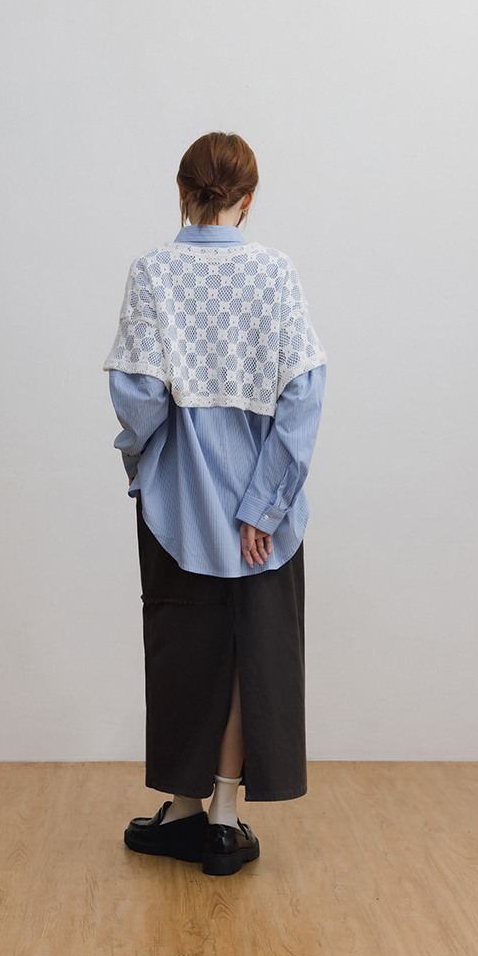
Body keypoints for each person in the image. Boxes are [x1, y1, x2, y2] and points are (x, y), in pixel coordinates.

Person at [103, 131, 327, 876]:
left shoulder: (152, 272)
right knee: (248, 651)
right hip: (264, 515)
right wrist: (265, 504)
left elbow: (139, 395)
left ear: (181, 191)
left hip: (178, 505)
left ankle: (186, 808)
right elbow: (304, 393)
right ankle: (219, 819)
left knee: (183, 644)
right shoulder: (275, 272)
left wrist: (141, 455)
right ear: (248, 199)